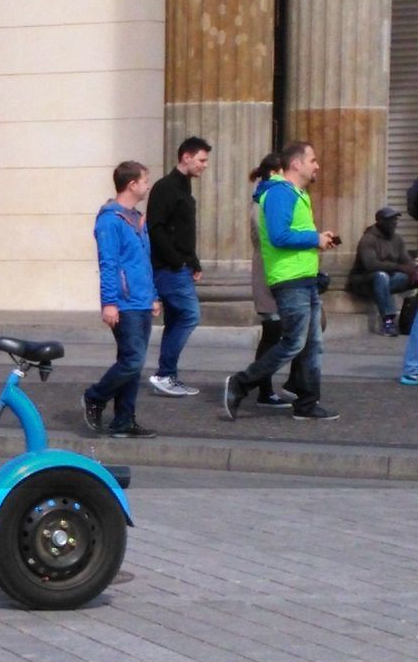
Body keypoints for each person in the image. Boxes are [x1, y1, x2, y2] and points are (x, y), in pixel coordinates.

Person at [224, 142, 338, 421]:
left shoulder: (295, 194)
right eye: (312, 159)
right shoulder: (278, 194)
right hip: (289, 278)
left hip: (303, 277)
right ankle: (241, 383)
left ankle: (307, 403)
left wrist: (319, 240)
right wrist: (315, 239)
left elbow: (291, 233)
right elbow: (279, 236)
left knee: (312, 344)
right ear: (296, 164)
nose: (317, 165)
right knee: (294, 342)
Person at [82, 161, 162, 438]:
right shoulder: (109, 220)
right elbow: (108, 263)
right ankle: (94, 396)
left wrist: (152, 295)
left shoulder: (137, 219)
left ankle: (123, 421)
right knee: (132, 361)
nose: (147, 185)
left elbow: (144, 261)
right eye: (145, 180)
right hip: (124, 303)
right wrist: (110, 302)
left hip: (140, 301)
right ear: (132, 184)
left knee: (132, 362)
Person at [146, 135, 211, 397]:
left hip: (178, 265)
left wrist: (193, 261)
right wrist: (177, 260)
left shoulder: (183, 186)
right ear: (186, 156)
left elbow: (182, 231)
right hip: (170, 268)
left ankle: (167, 375)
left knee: (176, 319)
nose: (204, 165)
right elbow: (157, 228)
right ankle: (164, 374)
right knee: (189, 315)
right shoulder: (166, 187)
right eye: (201, 160)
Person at [248, 154, 296, 408]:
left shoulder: (268, 195)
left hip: (273, 268)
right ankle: (260, 388)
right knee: (272, 332)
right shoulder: (266, 198)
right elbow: (273, 237)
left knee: (278, 332)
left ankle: (274, 386)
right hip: (269, 270)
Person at [346, 206, 417, 336]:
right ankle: (388, 321)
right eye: (390, 220)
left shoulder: (397, 239)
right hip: (364, 281)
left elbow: (406, 260)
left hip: (387, 281)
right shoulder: (368, 239)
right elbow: (371, 265)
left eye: (395, 219)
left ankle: (413, 318)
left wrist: (414, 270)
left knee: (411, 276)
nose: (394, 223)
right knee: (381, 276)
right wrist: (399, 267)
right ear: (380, 221)